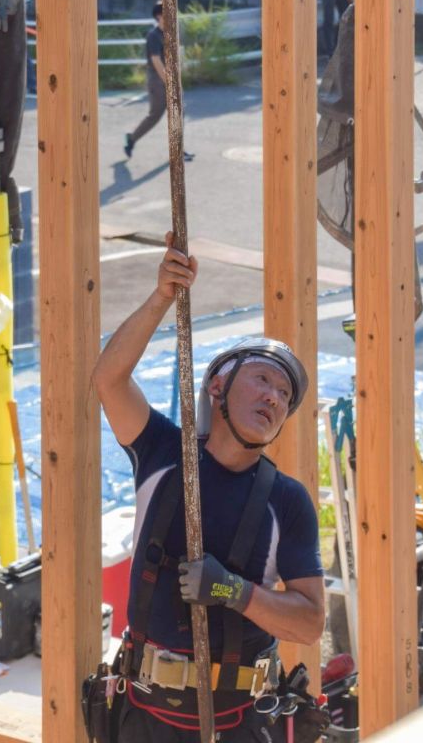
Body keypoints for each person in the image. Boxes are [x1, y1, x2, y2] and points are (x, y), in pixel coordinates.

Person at [91, 239, 325, 741]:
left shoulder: (286, 500)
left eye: (285, 395)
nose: (275, 398)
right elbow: (109, 380)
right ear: (217, 388)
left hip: (237, 722)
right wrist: (161, 298)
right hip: (147, 717)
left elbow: (308, 624)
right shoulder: (163, 457)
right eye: (263, 379)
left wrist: (230, 591)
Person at [125, 2, 193, 162]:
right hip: (157, 80)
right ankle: (131, 139)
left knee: (178, 112)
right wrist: (169, 83)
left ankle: (178, 151)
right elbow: (156, 61)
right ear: (159, 16)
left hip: (170, 78)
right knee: (155, 115)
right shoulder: (153, 36)